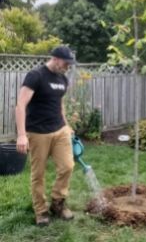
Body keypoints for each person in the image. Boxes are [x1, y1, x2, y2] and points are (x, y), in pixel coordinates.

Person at [15, 46, 76, 226]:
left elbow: (59, 103)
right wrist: (21, 135)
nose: (67, 67)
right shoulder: (36, 75)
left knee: (67, 166)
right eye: (66, 63)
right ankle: (41, 211)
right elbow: (20, 105)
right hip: (37, 132)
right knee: (38, 174)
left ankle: (58, 202)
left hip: (60, 130)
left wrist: (66, 125)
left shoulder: (62, 78)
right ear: (56, 59)